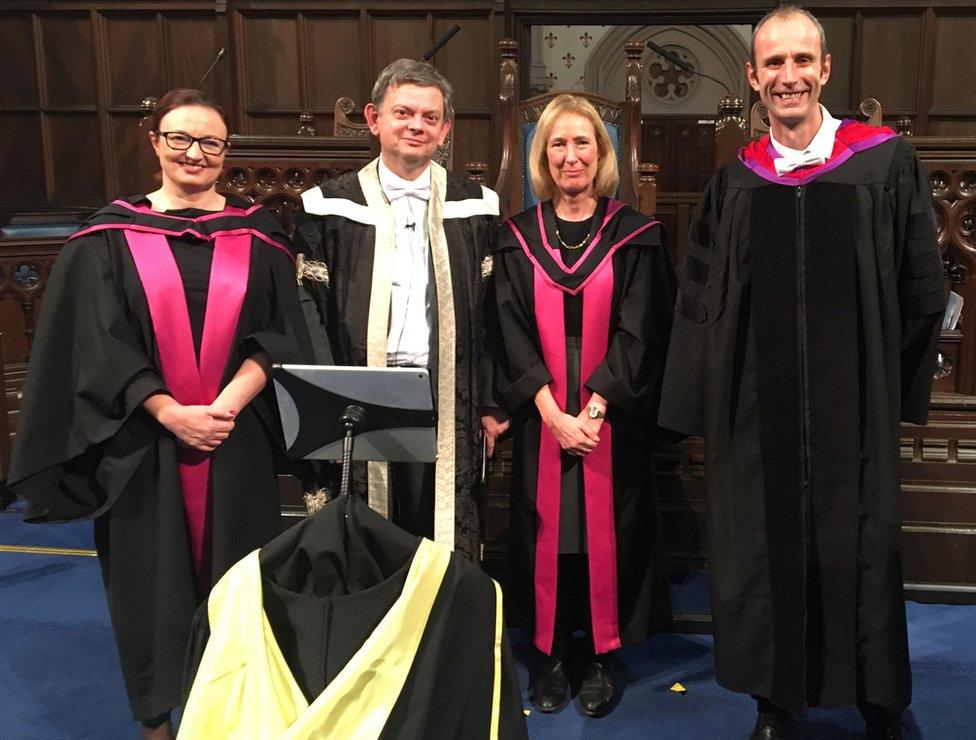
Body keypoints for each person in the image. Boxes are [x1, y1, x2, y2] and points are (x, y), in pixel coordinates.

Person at [658, 7, 945, 740]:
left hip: (857, 410)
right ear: (753, 78)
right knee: (763, 547)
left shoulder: (885, 162)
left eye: (800, 61)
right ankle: (777, 701)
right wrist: (703, 412)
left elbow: (922, 287)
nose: (787, 76)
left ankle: (879, 695)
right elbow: (702, 305)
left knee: (866, 546)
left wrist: (889, 385)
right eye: (772, 64)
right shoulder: (736, 184)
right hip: (761, 417)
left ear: (823, 70)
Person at [7, 88, 311, 738]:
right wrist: (170, 411)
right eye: (180, 138)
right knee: (149, 588)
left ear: (225, 151)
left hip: (234, 440)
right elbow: (96, 341)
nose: (194, 152)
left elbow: (281, 334)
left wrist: (224, 405)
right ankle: (156, 720)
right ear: (155, 142)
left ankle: (227, 714)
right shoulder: (108, 238)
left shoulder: (259, 236)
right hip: (142, 444)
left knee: (238, 586)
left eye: (209, 142)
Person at [486, 94, 675, 717]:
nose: (571, 156)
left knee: (604, 530)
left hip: (607, 412)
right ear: (543, 157)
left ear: (602, 154)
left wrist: (592, 412)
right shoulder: (517, 238)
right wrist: (550, 412)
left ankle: (599, 651)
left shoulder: (636, 234)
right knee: (553, 531)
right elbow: (507, 328)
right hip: (546, 409)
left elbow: (642, 330)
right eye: (558, 145)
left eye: (583, 143)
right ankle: (552, 652)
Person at [294, 58, 499, 561]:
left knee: (441, 519)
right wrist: (324, 396)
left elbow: (495, 314)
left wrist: (493, 403)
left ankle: (437, 631)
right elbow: (308, 312)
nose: (416, 125)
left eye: (430, 117)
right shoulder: (326, 205)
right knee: (368, 523)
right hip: (362, 388)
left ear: (445, 129)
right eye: (403, 112)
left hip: (448, 388)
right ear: (374, 118)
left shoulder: (477, 206)